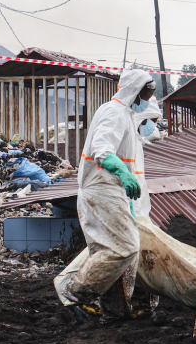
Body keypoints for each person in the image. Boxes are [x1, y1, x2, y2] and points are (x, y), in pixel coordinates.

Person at [56, 69, 155, 319]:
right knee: (125, 248)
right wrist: (122, 172)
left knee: (120, 253)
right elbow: (102, 149)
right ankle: (74, 293)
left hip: (111, 191)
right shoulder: (114, 112)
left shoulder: (125, 114)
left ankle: (115, 310)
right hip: (101, 189)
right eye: (148, 91)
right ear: (136, 89)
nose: (149, 96)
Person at [131, 96, 162, 219]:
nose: (153, 126)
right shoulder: (128, 141)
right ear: (142, 119)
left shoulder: (137, 141)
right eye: (152, 121)